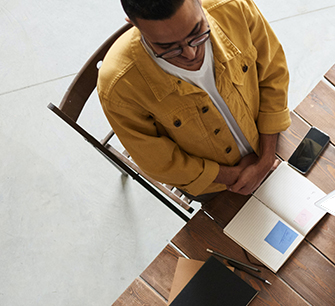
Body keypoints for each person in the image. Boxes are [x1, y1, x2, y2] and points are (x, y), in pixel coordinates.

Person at [98, 0, 290, 197]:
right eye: (168, 48)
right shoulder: (118, 86)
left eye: (197, 32)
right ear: (133, 23)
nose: (190, 53)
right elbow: (159, 162)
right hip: (216, 186)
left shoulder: (232, 7)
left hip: (271, 139)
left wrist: (265, 160)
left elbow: (273, 72)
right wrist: (235, 176)